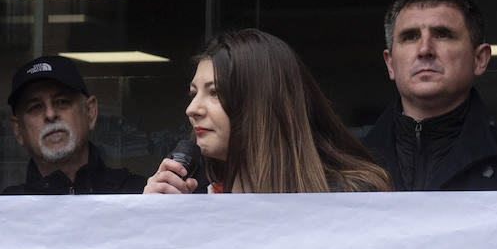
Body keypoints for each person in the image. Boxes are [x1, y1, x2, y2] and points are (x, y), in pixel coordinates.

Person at [365, 0, 497, 191]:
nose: (424, 50)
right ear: (390, 64)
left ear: (479, 59)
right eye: (410, 37)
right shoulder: (346, 164)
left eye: (442, 34)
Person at [144, 29, 390, 194]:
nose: (192, 109)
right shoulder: (190, 195)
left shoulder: (351, 195)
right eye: (193, 93)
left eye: (215, 93)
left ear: (261, 104)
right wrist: (151, 219)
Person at [2, 55, 141, 195]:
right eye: (35, 107)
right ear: (18, 130)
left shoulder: (139, 194)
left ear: (90, 112)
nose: (50, 114)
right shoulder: (1, 211)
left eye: (62, 102)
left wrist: (147, 207)